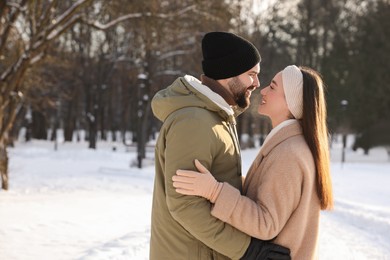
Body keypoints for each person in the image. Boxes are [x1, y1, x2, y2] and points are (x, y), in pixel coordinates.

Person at [150, 32, 290, 259]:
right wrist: (249, 251)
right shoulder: (195, 121)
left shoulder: (216, 117)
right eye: (251, 75)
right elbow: (184, 205)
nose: (256, 83)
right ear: (229, 73)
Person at [173, 65, 334, 259]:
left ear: (291, 102)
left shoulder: (289, 153)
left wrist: (214, 191)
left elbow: (265, 223)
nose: (263, 90)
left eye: (273, 87)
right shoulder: (290, 145)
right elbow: (266, 192)